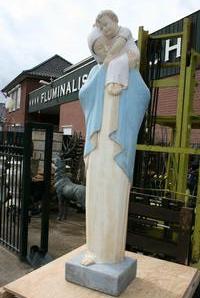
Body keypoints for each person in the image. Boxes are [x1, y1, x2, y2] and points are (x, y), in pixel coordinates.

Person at [79, 10, 150, 266]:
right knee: (96, 195)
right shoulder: (97, 72)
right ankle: (93, 250)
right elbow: (85, 97)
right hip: (98, 149)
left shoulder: (128, 64)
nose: (102, 49)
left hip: (118, 149)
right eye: (97, 47)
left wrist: (127, 67)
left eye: (104, 44)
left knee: (115, 197)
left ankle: (110, 254)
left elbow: (143, 96)